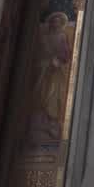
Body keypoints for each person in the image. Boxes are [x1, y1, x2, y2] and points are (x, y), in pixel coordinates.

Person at [33, 11, 74, 141]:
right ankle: (43, 122)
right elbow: (37, 54)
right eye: (53, 21)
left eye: (58, 22)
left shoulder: (62, 36)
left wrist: (58, 60)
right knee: (41, 93)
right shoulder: (44, 38)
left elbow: (66, 54)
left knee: (54, 94)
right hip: (44, 71)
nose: (55, 24)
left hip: (56, 71)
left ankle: (53, 122)